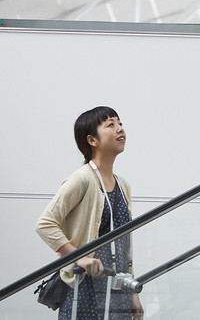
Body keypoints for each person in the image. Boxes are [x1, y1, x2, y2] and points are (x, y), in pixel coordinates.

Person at [36, 106, 144, 320]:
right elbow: (45, 224)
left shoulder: (123, 185)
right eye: (110, 125)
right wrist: (80, 258)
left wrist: (133, 292)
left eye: (120, 123)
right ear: (92, 140)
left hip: (118, 289)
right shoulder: (82, 179)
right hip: (85, 288)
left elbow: (124, 246)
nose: (120, 129)